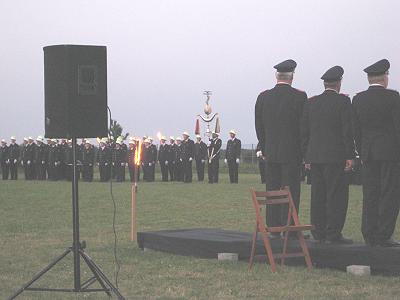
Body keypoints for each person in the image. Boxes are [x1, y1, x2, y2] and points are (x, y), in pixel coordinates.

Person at [301, 66, 354, 244]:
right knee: (336, 196)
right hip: (335, 157)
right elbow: (347, 131)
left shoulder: (311, 102)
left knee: (318, 195)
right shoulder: (344, 102)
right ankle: (333, 233)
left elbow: (305, 132)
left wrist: (306, 156)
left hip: (315, 156)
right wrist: (349, 155)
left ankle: (318, 231)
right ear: (339, 83)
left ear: (325, 84)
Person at [254, 59, 307, 237]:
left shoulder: (263, 97)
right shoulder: (299, 97)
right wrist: (302, 151)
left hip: (271, 153)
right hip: (292, 153)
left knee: (273, 190)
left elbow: (259, 126)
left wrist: (266, 147)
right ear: (292, 76)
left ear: (277, 76)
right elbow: (303, 127)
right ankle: (290, 227)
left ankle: (274, 227)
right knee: (291, 190)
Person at [352, 59, 400, 247]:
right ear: (385, 77)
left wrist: (362, 149)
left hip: (368, 153)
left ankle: (369, 232)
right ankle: (383, 234)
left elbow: (356, 129)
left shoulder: (358, 99)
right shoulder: (394, 98)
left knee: (370, 193)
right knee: (389, 193)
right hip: (390, 153)